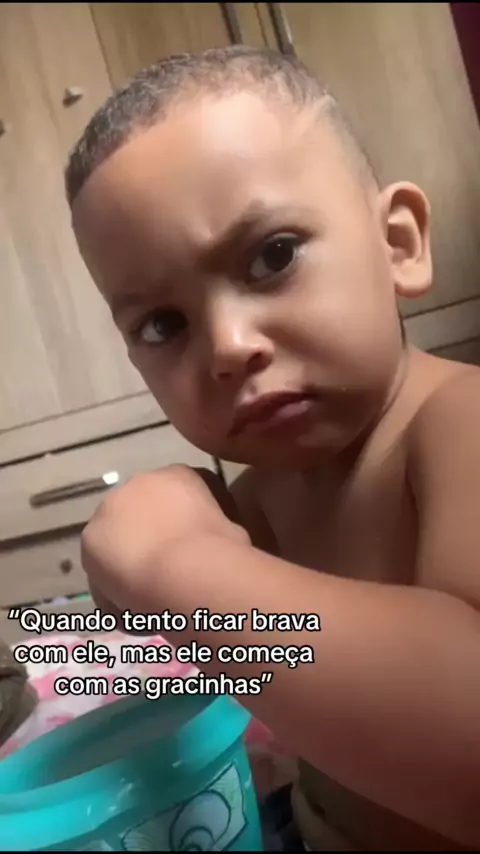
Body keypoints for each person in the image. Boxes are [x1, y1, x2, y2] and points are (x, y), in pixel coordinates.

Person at [66, 46, 480, 850]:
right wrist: (137, 588)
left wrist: (172, 563)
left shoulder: (458, 424)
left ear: (398, 243)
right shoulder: (253, 505)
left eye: (273, 256)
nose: (227, 346)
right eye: (163, 324)